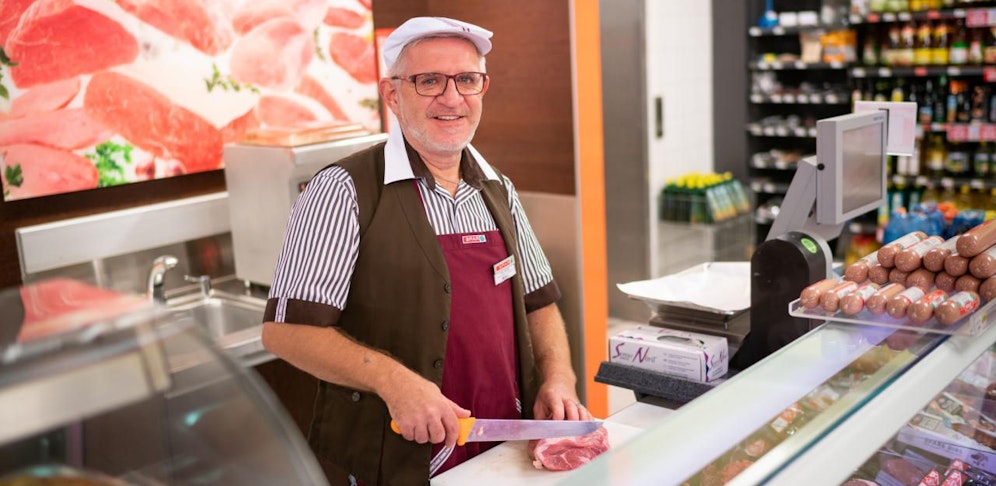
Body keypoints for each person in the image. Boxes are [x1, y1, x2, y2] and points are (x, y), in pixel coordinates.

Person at [260, 16, 590, 486]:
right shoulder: (344, 190)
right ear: (393, 95)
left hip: (502, 448)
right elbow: (286, 332)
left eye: (466, 80)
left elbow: (538, 302)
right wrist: (394, 382)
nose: (452, 98)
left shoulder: (498, 189)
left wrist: (560, 377)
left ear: (482, 89)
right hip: (401, 457)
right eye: (429, 81)